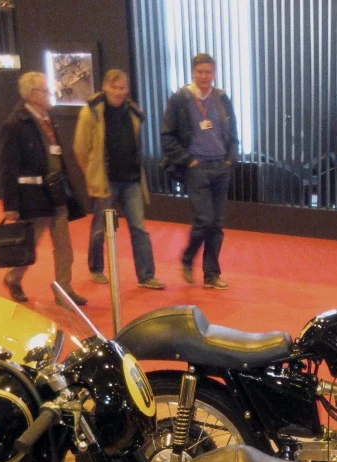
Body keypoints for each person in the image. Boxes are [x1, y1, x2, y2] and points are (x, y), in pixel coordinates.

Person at [0, 71, 86, 305]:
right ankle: (13, 277)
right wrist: (11, 205)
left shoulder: (48, 118)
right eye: (45, 91)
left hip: (56, 192)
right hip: (33, 196)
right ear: (31, 94)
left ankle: (63, 290)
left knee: (64, 247)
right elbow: (9, 167)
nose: (50, 95)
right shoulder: (16, 124)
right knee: (30, 245)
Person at [74, 69, 164, 290]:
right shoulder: (90, 112)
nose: (118, 92)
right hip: (105, 182)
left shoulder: (134, 112)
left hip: (132, 180)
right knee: (99, 229)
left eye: (122, 87)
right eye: (114, 87)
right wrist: (92, 174)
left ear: (127, 89)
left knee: (139, 229)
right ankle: (96, 269)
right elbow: (80, 148)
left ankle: (146, 276)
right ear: (105, 87)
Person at [161, 53, 238, 289]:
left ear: (214, 73)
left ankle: (211, 274)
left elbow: (232, 131)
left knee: (217, 225)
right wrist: (188, 160)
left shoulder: (222, 98)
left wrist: (230, 159)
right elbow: (167, 135)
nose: (204, 76)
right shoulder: (180, 99)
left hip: (220, 167)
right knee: (204, 220)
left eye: (208, 72)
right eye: (200, 72)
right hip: (197, 168)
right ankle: (187, 257)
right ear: (193, 72)